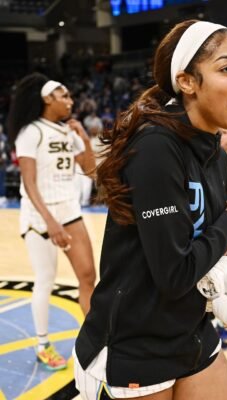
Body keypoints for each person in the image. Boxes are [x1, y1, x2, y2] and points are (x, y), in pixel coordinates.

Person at [73, 19, 227, 400]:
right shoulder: (156, 147)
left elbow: (203, 254)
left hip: (190, 330)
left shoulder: (214, 153)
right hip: (135, 344)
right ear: (187, 82)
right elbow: (175, 273)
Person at [7, 73, 96, 371]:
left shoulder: (69, 131)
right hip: (38, 215)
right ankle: (43, 345)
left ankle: (96, 339)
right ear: (47, 99)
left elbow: (90, 171)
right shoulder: (30, 132)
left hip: (68, 210)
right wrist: (50, 222)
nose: (70, 101)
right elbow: (29, 182)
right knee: (46, 278)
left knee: (88, 276)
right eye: (64, 95)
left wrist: (84, 137)